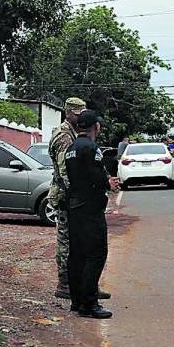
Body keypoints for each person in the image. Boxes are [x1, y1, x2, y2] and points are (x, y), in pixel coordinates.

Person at [65, 110, 120, 319]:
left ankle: (77, 300)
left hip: (74, 206)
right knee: (96, 254)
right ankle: (89, 303)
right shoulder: (91, 148)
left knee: (77, 254)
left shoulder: (71, 148)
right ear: (96, 126)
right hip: (90, 207)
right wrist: (108, 182)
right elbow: (96, 178)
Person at [48, 97, 87, 299]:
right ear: (68, 113)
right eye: (77, 114)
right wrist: (76, 195)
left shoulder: (71, 133)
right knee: (65, 240)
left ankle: (75, 282)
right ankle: (64, 283)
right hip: (64, 195)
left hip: (68, 195)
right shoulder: (64, 136)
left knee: (74, 239)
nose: (79, 118)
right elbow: (66, 172)